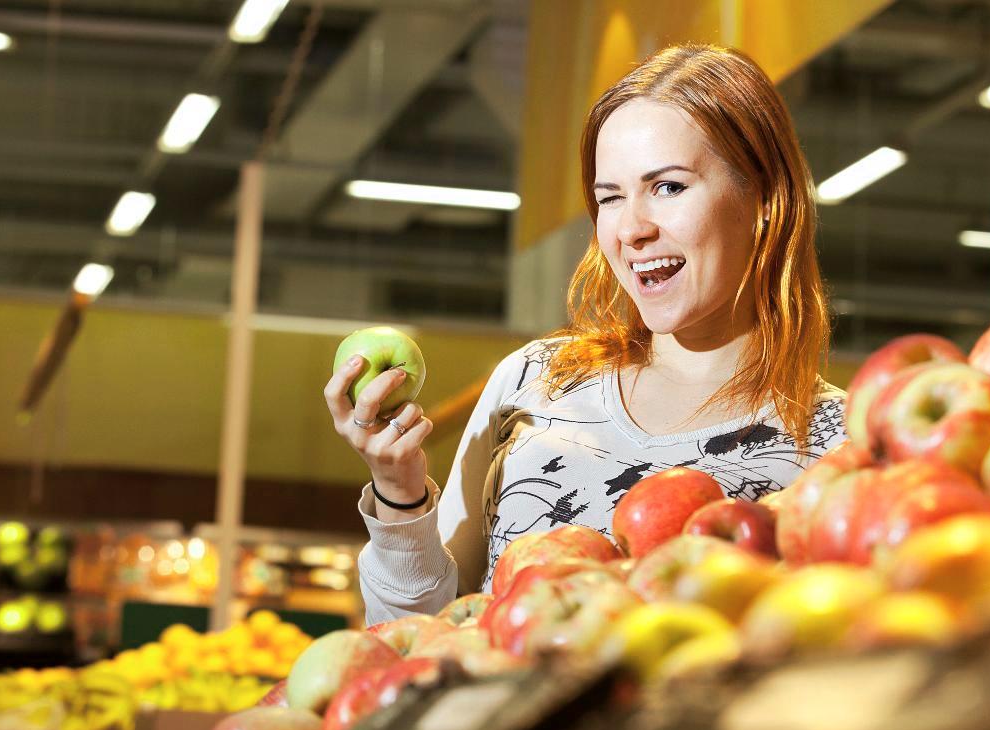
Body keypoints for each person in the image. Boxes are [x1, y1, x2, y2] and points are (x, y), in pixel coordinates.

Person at [324, 44, 847, 625]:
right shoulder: (537, 381)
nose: (632, 228)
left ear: (764, 197)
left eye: (669, 187)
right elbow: (416, 637)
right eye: (610, 198)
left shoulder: (837, 450)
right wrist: (399, 489)